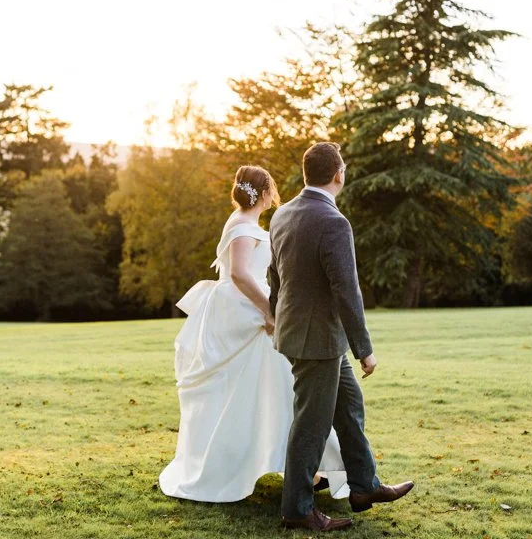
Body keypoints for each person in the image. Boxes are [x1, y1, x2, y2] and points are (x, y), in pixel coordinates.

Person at [159, 165, 350, 503]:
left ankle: (307, 465)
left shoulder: (244, 223)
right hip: (244, 314)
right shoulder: (243, 227)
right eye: (271, 189)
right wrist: (269, 310)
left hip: (242, 311)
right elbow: (240, 275)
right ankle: (296, 465)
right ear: (264, 193)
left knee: (271, 389)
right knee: (266, 390)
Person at [269, 142, 414, 532]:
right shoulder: (335, 222)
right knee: (311, 426)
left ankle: (364, 486)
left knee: (349, 405)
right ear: (339, 174)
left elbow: (275, 278)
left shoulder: (282, 214)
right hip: (317, 341)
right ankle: (297, 510)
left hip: (301, 335)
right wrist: (364, 349)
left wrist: (277, 319)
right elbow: (346, 290)